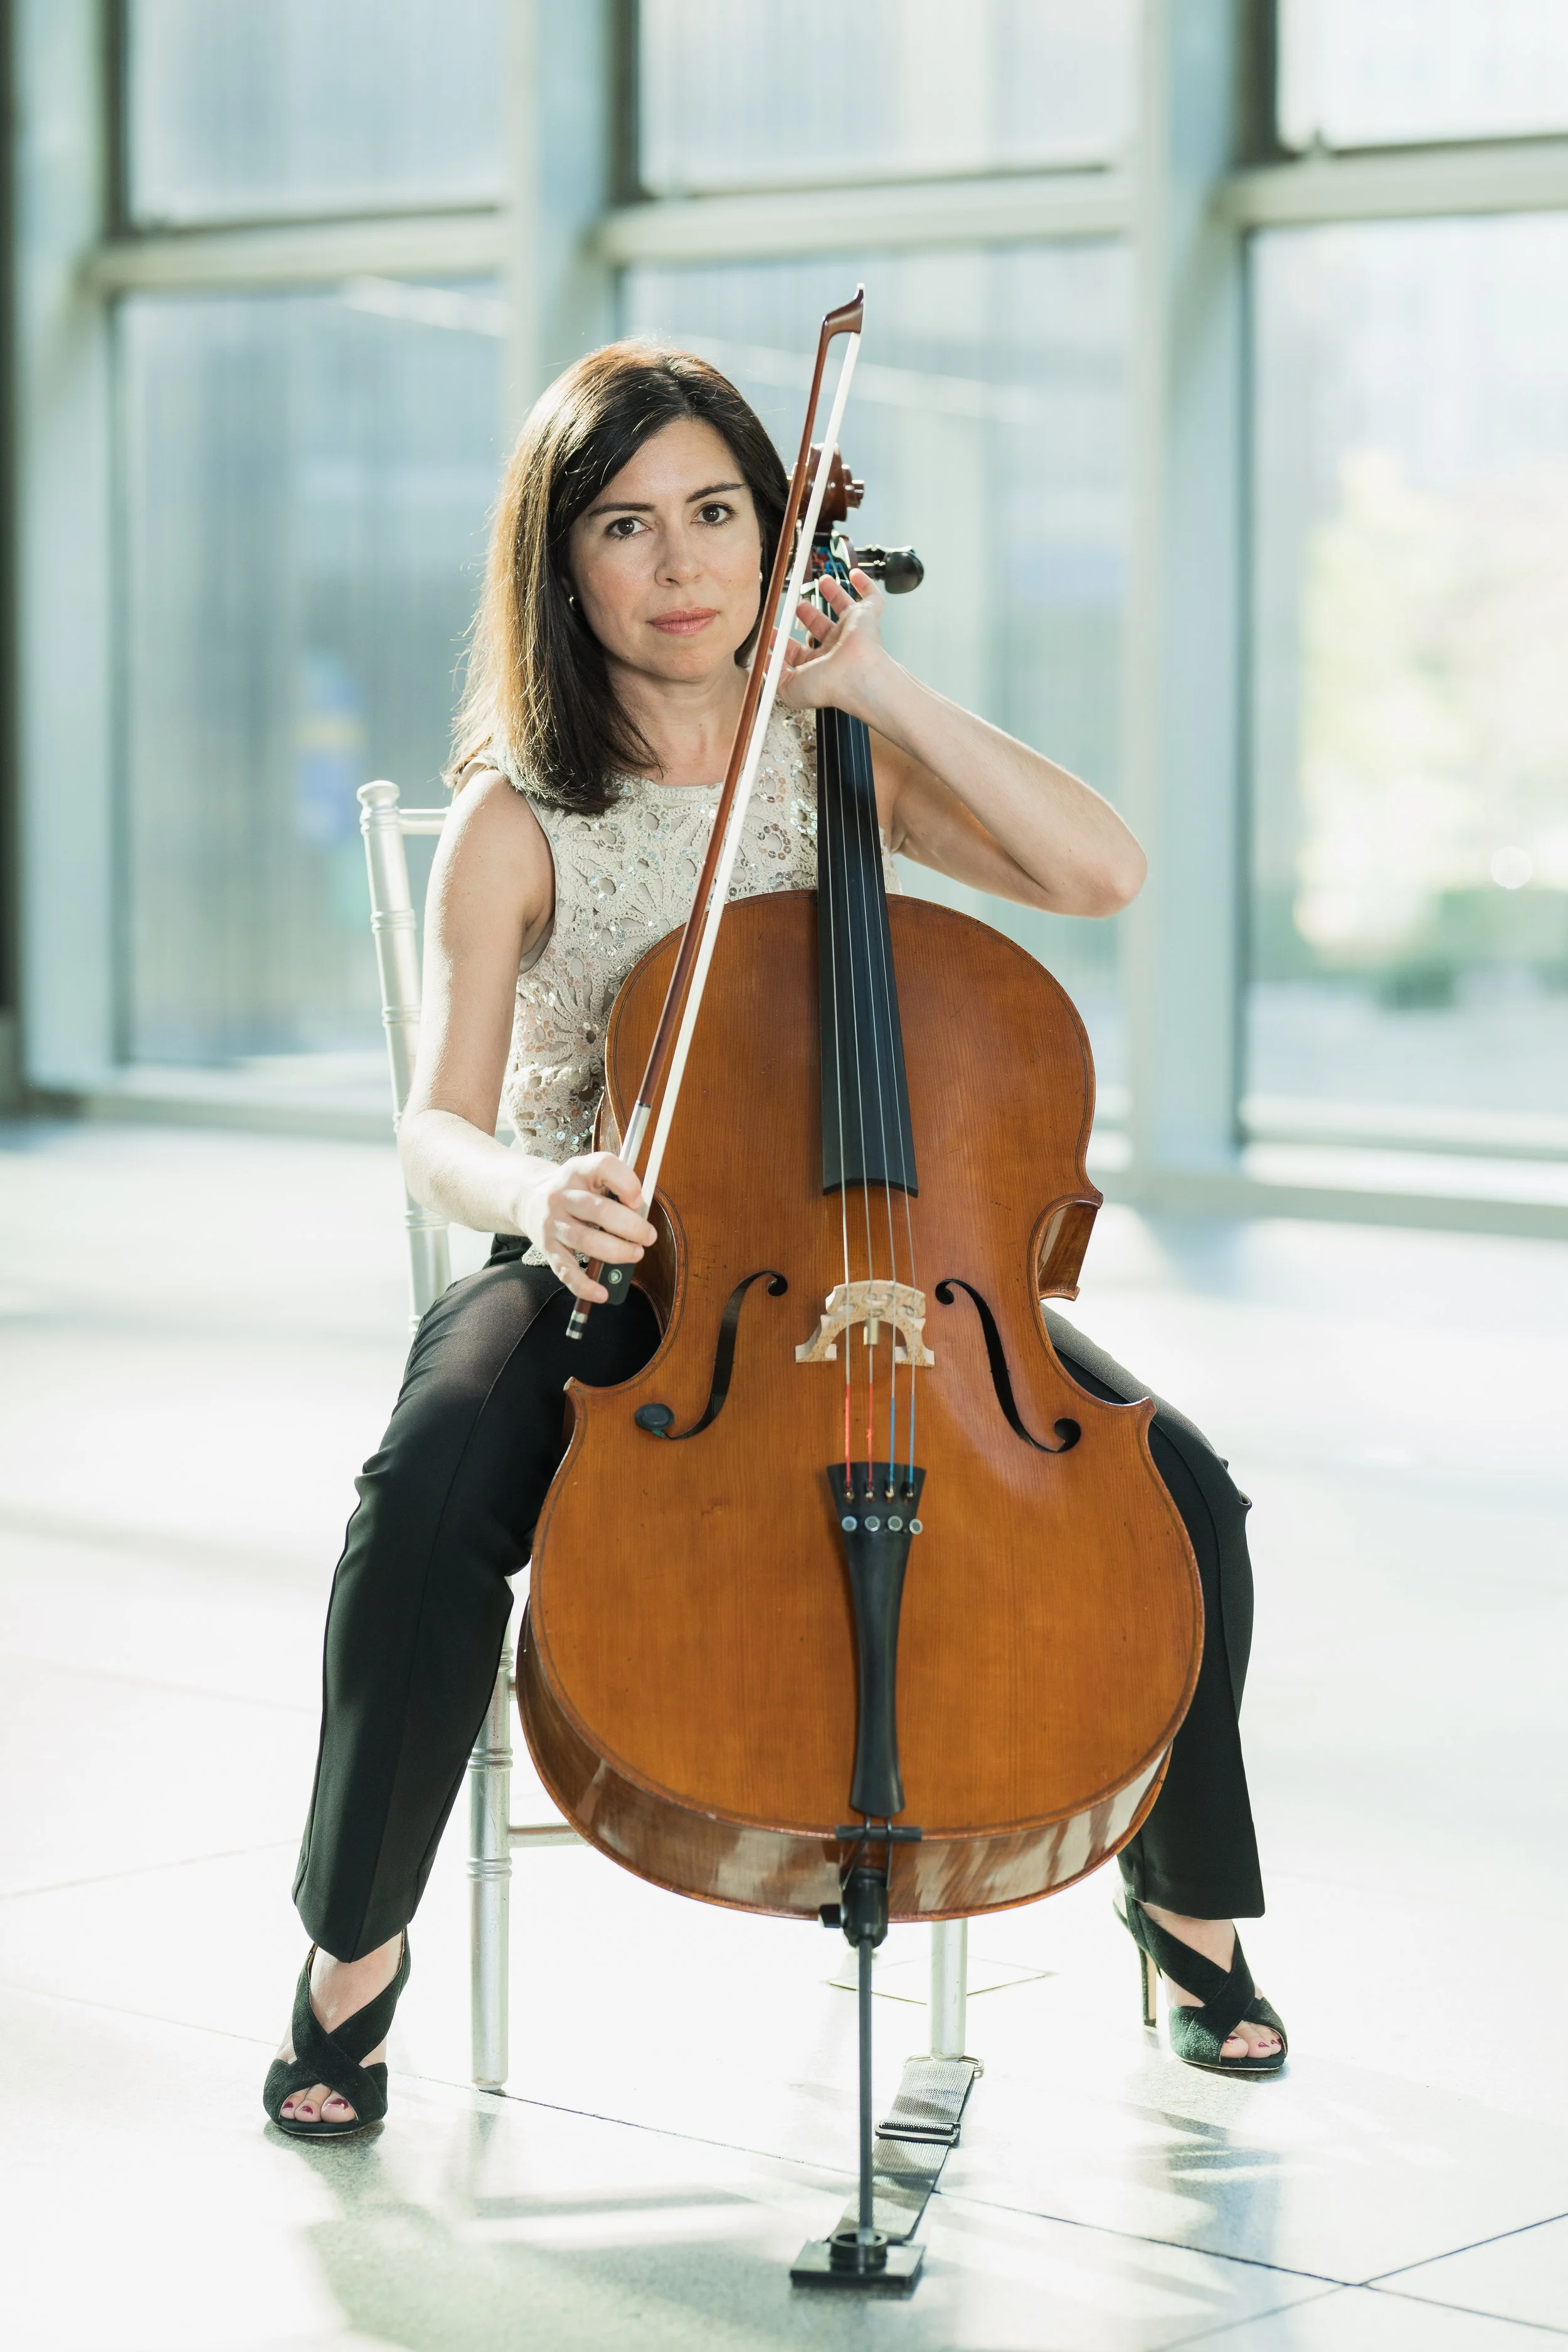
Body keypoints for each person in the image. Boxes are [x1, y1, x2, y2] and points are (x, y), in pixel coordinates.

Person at [264, 343, 1285, 2139]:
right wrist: (535, 1193)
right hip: (620, 1262)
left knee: (1180, 1490)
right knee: (423, 1491)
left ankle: (1180, 1900)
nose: (683, 567)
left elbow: (1100, 871)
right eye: (628, 526)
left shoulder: (842, 764)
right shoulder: (513, 818)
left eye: (718, 515)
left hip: (893, 1264)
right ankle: (353, 1949)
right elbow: (437, 1123)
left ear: (769, 533)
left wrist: (877, 688)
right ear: (558, 566)